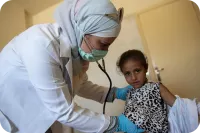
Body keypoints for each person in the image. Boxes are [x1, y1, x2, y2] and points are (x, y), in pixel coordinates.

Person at [0, 0, 144, 133]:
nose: (105, 51)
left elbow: (81, 85)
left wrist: (115, 93)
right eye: (103, 44)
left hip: (39, 118)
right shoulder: (41, 45)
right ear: (82, 31)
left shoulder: (75, 56)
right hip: (10, 119)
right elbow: (63, 111)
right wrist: (115, 123)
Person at [116, 49, 177, 133]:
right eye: (127, 73)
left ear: (146, 68)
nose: (133, 78)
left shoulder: (157, 88)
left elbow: (179, 107)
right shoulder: (129, 93)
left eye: (137, 71)